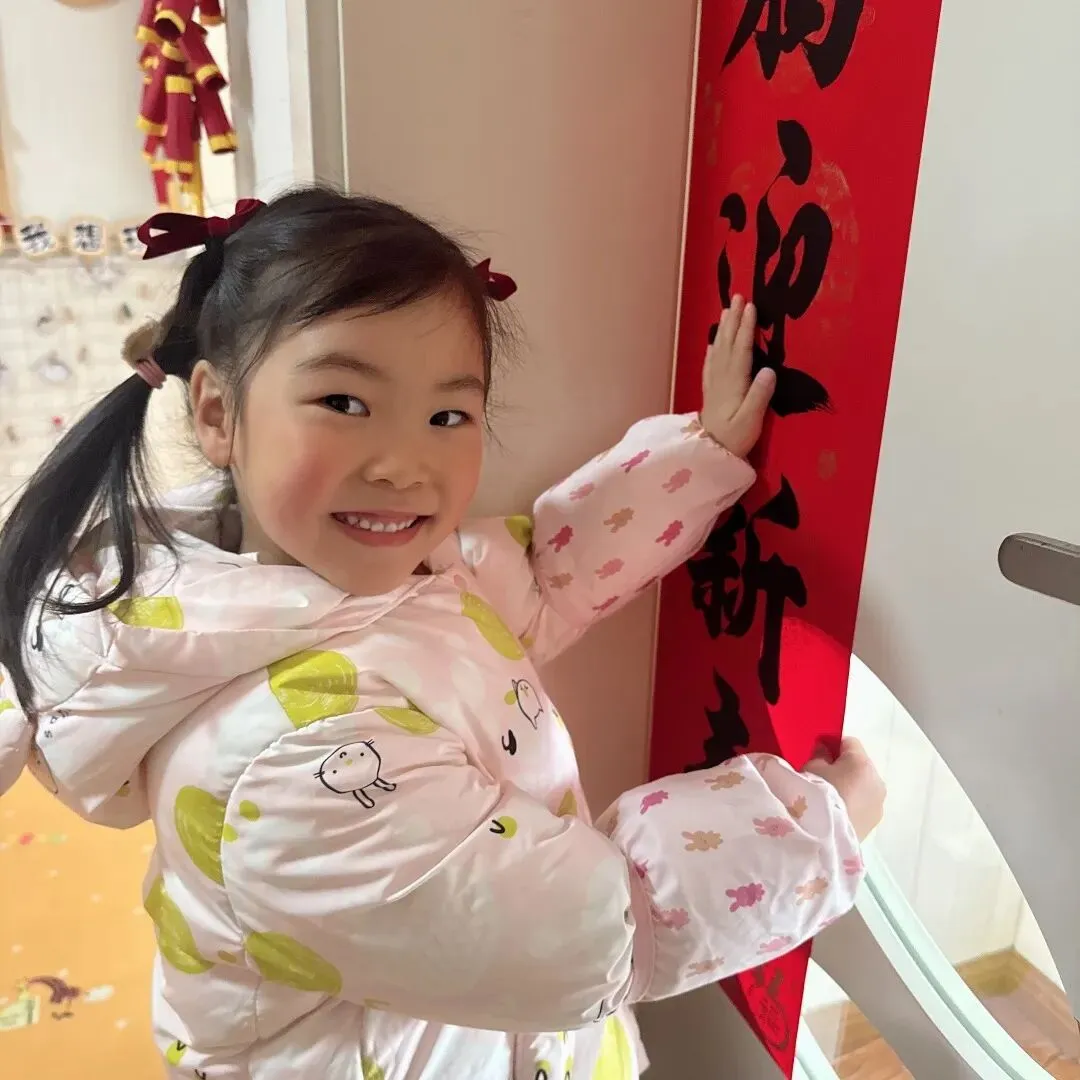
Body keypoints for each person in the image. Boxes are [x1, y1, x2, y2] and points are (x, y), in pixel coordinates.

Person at [0, 188, 884, 1080]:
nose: (404, 465)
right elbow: (595, 930)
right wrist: (813, 823)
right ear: (217, 414)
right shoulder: (288, 767)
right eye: (344, 401)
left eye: (448, 417)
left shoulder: (394, 580)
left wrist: (703, 451)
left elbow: (544, 578)